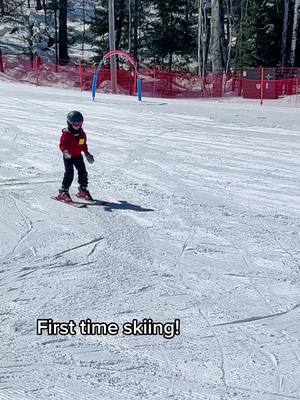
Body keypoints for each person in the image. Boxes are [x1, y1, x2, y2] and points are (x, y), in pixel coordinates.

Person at [57, 111, 95, 202]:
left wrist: (87, 153)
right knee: (69, 173)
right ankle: (63, 191)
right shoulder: (67, 134)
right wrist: (65, 152)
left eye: (80, 123)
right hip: (68, 157)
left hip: (78, 156)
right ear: (69, 123)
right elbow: (62, 145)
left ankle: (82, 189)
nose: (77, 125)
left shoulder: (82, 134)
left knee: (83, 172)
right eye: (75, 123)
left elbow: (83, 145)